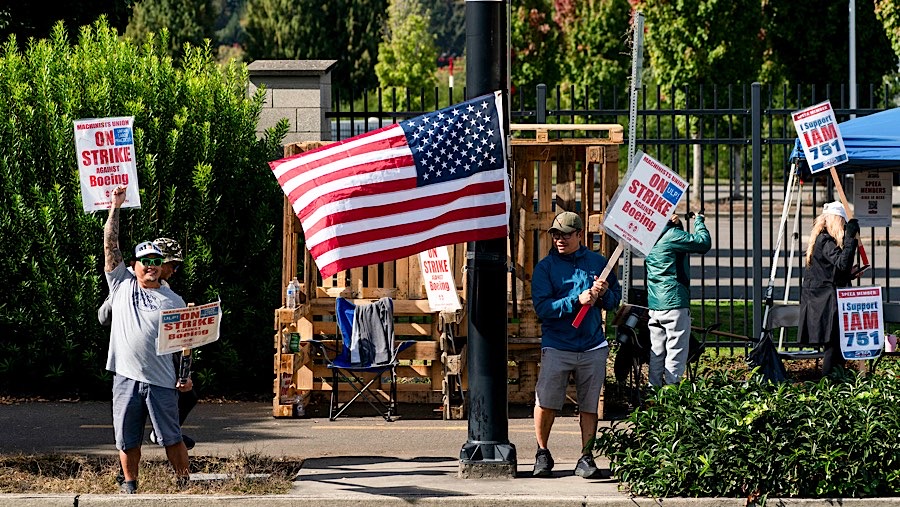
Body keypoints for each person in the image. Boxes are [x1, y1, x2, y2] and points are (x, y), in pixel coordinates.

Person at [103, 186, 191, 494]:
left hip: (162, 380)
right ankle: (130, 486)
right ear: (134, 265)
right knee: (127, 439)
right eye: (144, 261)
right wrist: (116, 206)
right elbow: (110, 245)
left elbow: (183, 345)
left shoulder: (174, 301)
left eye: (155, 260)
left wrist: (185, 378)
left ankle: (183, 483)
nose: (149, 265)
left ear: (161, 265)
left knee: (172, 436)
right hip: (126, 378)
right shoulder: (122, 285)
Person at [530, 211, 622, 479]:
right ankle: (542, 453)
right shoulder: (545, 268)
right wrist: (575, 300)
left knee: (589, 405)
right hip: (557, 345)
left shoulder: (598, 263)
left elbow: (614, 300)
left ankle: (586, 457)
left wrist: (605, 294)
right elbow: (543, 308)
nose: (560, 240)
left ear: (580, 235)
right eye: (556, 235)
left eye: (566, 234)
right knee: (546, 402)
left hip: (592, 345)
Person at [644, 212, 711, 387]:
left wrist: (676, 225)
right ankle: (671, 393)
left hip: (655, 304)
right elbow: (703, 243)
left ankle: (654, 392)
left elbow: (677, 248)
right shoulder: (671, 235)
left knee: (657, 352)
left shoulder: (648, 237)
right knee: (676, 353)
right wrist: (699, 221)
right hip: (674, 302)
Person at [798, 201, 860, 375]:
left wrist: (850, 274)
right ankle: (830, 383)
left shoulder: (824, 239)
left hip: (825, 299)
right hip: (823, 302)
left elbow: (832, 271)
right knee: (833, 346)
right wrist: (850, 238)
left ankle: (836, 381)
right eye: (843, 223)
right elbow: (841, 263)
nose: (845, 226)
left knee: (837, 345)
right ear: (836, 220)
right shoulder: (825, 240)